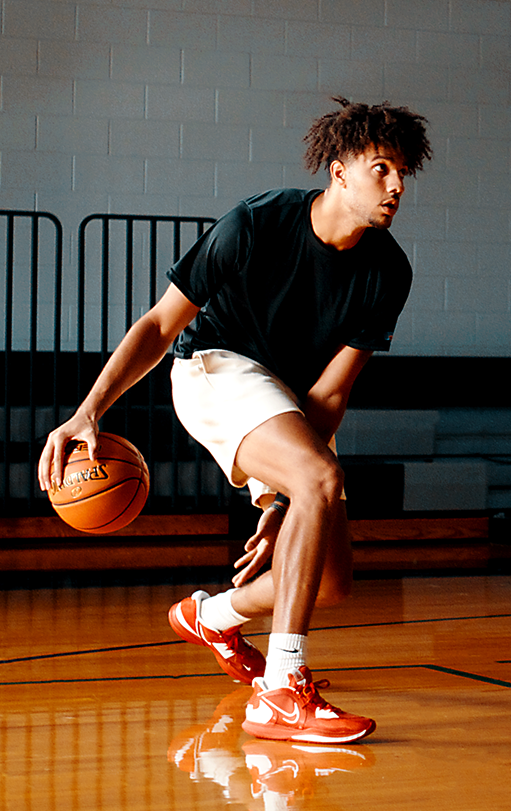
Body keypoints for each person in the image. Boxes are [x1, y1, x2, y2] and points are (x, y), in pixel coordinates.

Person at [38, 96, 432, 744]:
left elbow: (331, 394)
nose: (396, 186)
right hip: (214, 371)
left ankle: (212, 615)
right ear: (338, 172)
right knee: (317, 483)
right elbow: (161, 324)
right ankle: (280, 690)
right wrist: (89, 410)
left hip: (286, 403)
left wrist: (287, 493)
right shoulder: (258, 223)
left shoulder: (388, 271)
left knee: (328, 582)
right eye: (382, 168)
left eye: (402, 173)